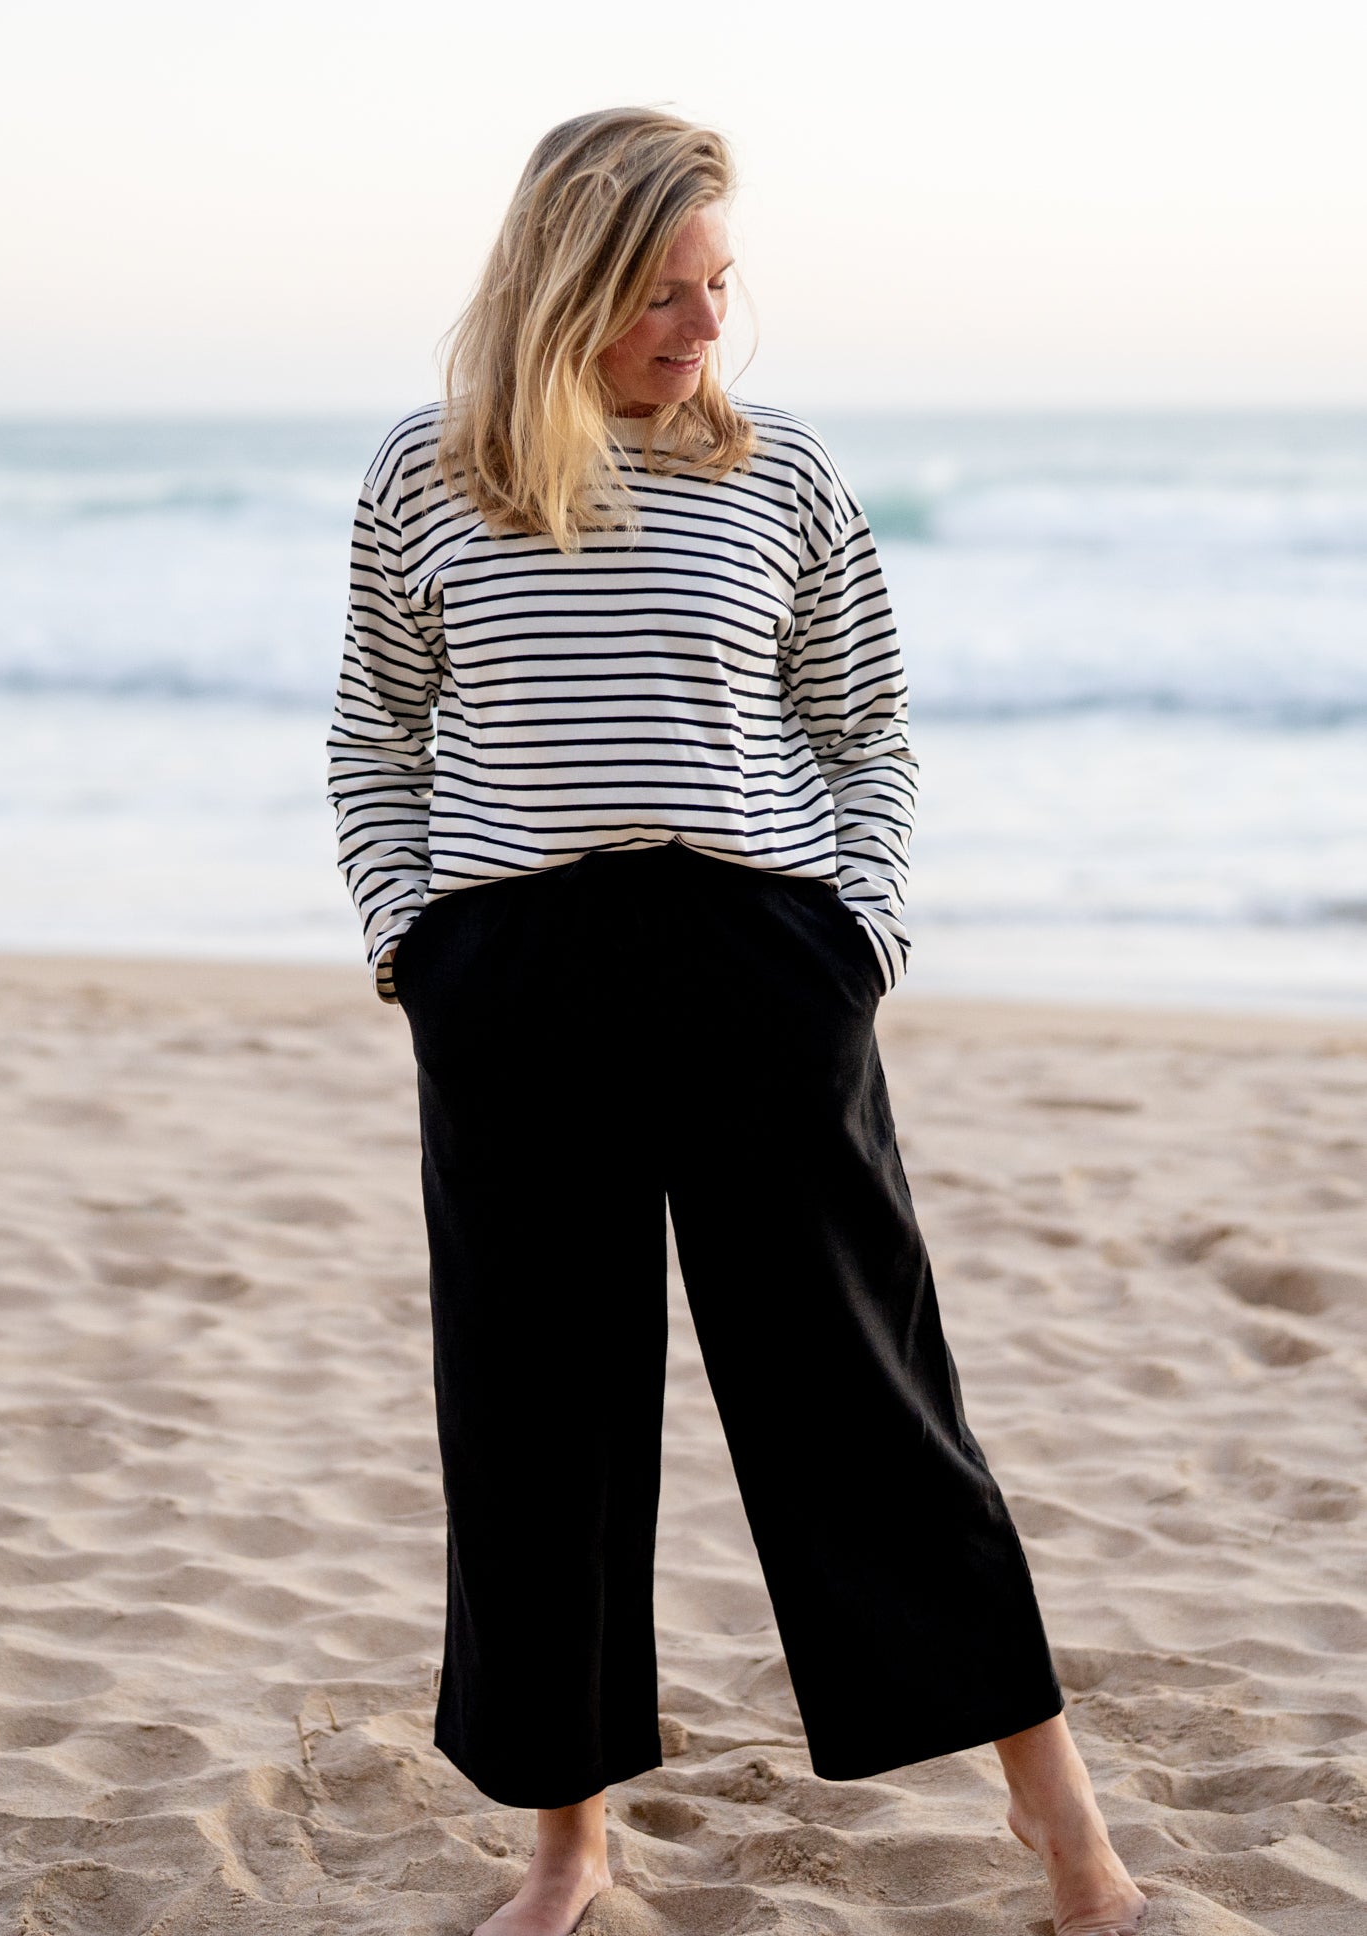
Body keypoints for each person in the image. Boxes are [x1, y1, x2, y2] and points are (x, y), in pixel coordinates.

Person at [327, 107, 1146, 1936]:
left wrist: (856, 940)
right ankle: (569, 1846)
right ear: (566, 285)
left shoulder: (781, 477)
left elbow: (867, 728)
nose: (706, 330)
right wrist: (413, 947)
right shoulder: (426, 472)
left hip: (759, 965)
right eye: (663, 294)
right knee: (538, 1420)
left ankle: (1060, 1821)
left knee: (866, 1393)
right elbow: (378, 734)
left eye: (718, 287)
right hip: (513, 979)